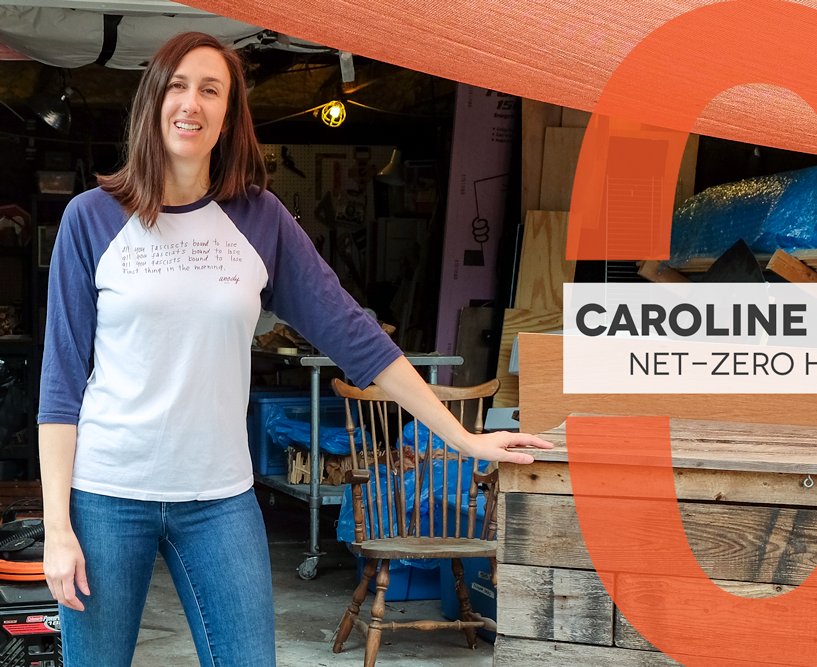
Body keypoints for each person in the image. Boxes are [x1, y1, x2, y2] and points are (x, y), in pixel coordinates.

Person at [38, 31, 551, 667]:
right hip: (107, 494)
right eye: (176, 85)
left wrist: (466, 439)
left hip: (218, 502)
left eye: (210, 89)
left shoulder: (260, 219)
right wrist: (57, 528)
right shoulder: (92, 218)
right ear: (152, 101)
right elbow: (60, 384)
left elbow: (356, 337)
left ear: (228, 115)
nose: (190, 103)